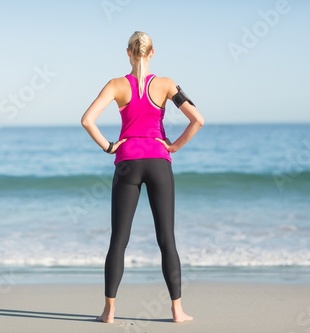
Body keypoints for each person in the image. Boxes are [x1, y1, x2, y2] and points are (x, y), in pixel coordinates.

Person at [81, 31, 204, 323]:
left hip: (127, 163)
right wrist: (173, 145)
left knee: (118, 241)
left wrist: (109, 146)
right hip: (158, 163)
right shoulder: (166, 85)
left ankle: (109, 312)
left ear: (128, 52)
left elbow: (87, 120)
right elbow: (197, 119)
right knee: (166, 240)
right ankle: (177, 311)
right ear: (152, 53)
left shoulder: (116, 85)